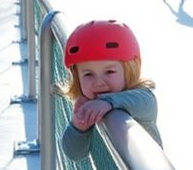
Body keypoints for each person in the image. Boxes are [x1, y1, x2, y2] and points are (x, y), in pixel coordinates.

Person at [60, 20, 160, 161]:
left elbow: (148, 102)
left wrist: (108, 102)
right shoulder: (89, 106)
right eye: (88, 74)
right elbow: (74, 155)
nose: (99, 82)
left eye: (110, 72)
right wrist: (78, 127)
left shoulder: (140, 95)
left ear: (130, 70)